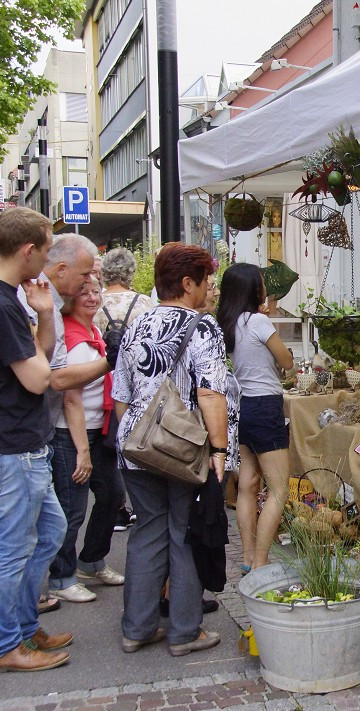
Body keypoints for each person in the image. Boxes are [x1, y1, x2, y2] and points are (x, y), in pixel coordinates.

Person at [0, 206, 71, 673]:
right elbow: (37, 378)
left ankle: (22, 628)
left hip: (15, 442)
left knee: (49, 532)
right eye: (45, 252)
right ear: (27, 251)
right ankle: (3, 645)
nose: (46, 262)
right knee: (10, 550)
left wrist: (45, 313)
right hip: (10, 447)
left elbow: (35, 356)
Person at [112, 243, 228, 657]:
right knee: (183, 534)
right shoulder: (201, 326)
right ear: (186, 283)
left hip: (138, 447)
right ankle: (183, 631)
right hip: (183, 450)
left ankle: (137, 628)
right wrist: (218, 450)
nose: (208, 290)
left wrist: (136, 440)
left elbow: (121, 396)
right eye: (205, 282)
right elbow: (211, 393)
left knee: (147, 532)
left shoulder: (136, 325)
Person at [47, 278, 125, 605]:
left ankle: (91, 561)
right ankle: (61, 577)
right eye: (84, 293)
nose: (93, 297)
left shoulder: (93, 332)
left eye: (96, 291)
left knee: (112, 496)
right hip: (72, 433)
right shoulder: (72, 337)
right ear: (69, 300)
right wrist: (82, 451)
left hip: (99, 429)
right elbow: (70, 400)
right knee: (71, 509)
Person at [216, 263, 294, 572]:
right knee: (279, 489)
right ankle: (261, 562)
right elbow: (286, 361)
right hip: (265, 406)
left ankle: (248, 558)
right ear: (253, 290)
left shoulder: (227, 322)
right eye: (261, 284)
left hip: (241, 407)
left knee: (247, 484)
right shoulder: (259, 321)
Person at [97, 247, 154, 531]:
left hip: (101, 380)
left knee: (108, 443)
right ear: (131, 272)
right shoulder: (144, 304)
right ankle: (139, 498)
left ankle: (116, 504)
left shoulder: (95, 303)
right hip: (137, 383)